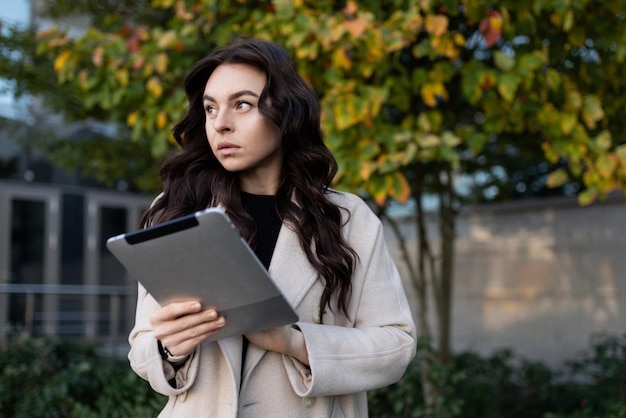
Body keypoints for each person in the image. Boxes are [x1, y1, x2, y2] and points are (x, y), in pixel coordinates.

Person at [128, 37, 416, 417]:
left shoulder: (346, 218)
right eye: (210, 108)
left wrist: (294, 342)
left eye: (242, 104)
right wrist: (169, 348)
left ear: (286, 112)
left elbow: (396, 346)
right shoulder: (176, 211)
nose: (221, 124)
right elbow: (142, 351)